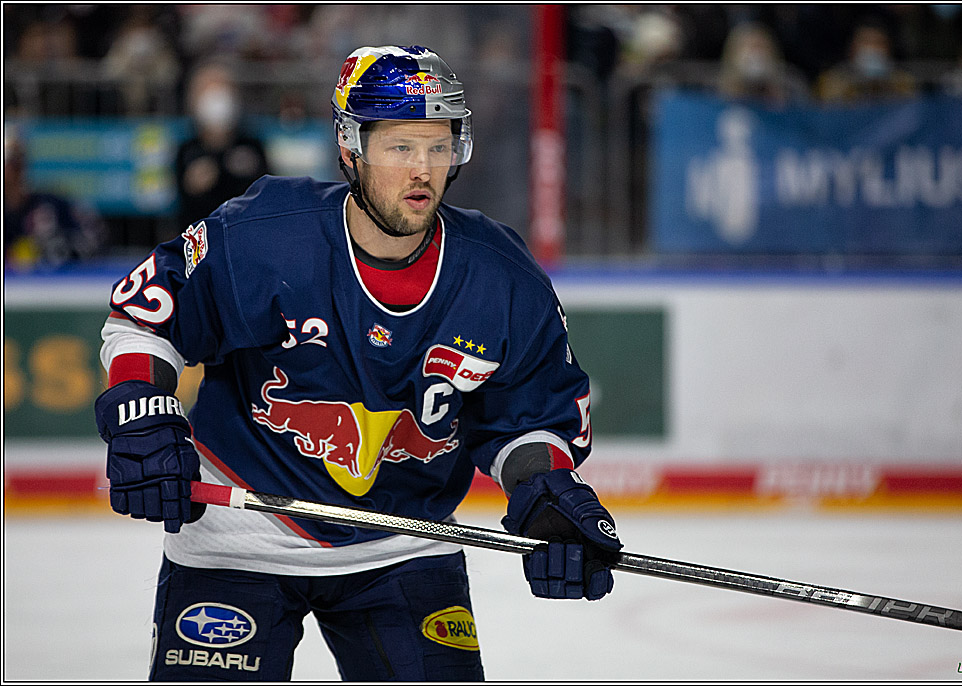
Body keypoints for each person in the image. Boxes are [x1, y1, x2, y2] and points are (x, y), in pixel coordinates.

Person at [94, 45, 622, 681]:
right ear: (350, 148)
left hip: (407, 539)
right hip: (240, 537)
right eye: (400, 147)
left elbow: (530, 417)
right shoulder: (265, 233)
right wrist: (141, 414)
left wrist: (544, 493)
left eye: (437, 145)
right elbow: (144, 318)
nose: (423, 169)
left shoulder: (500, 276)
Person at [174, 61, 270, 233]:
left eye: (223, 90)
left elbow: (268, 190)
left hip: (246, 236)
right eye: (208, 91)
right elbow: (183, 203)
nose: (217, 99)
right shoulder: (186, 150)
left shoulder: (252, 145)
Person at [4, 128, 106, 271]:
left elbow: (95, 237)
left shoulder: (51, 204)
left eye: (14, 164)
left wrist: (55, 251)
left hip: (58, 285)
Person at [815, 19, 918, 103]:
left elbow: (911, 114)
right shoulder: (833, 80)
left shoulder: (903, 81)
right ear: (852, 48)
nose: (872, 48)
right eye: (866, 42)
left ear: (889, 49)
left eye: (879, 43)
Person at [716, 22, 810, 106]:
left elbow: (805, 115)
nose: (756, 54)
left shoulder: (793, 85)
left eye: (761, 47)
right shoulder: (714, 86)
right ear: (733, 54)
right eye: (750, 47)